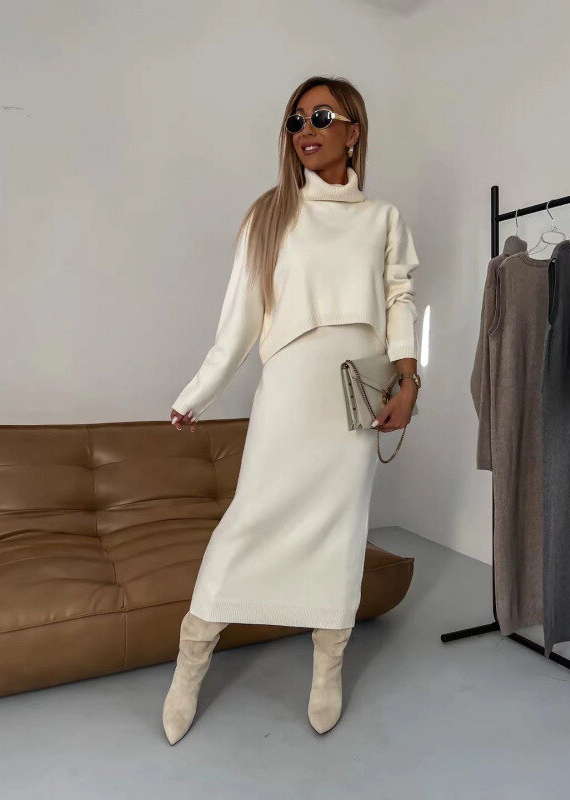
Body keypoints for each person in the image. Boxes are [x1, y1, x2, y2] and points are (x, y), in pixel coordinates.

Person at [163, 76, 422, 744]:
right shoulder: (270, 214)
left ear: (353, 131)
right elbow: (239, 321)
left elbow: (399, 299)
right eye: (295, 120)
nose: (306, 129)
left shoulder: (383, 219)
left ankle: (327, 665)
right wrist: (197, 393)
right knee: (250, 518)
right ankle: (191, 659)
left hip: (356, 397)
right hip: (290, 389)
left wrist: (408, 380)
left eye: (322, 116)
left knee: (342, 530)